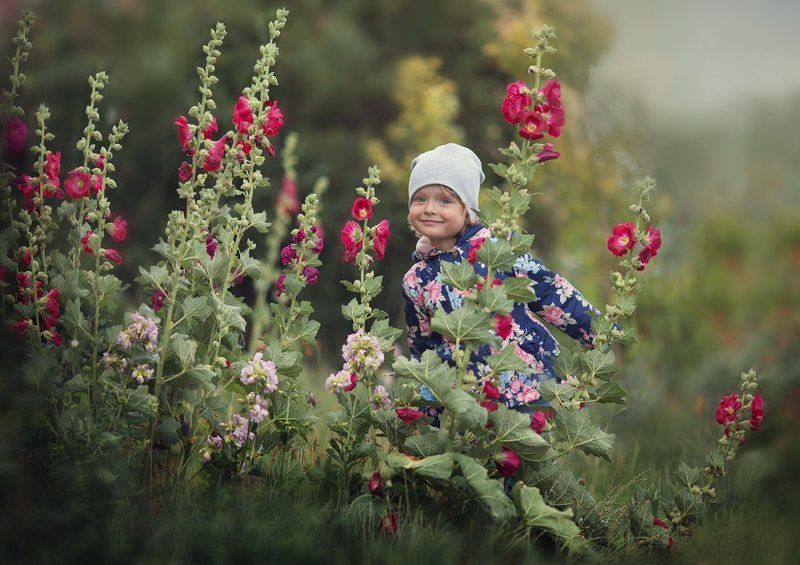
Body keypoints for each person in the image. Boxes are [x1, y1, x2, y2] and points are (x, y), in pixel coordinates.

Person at [401, 143, 601, 411]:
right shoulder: (416, 280)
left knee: (532, 449)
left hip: (529, 381)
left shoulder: (495, 249)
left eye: (445, 200)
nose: (428, 208)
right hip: (470, 399)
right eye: (420, 199)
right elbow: (424, 345)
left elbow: (549, 291)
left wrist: (598, 333)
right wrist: (427, 406)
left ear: (467, 210)